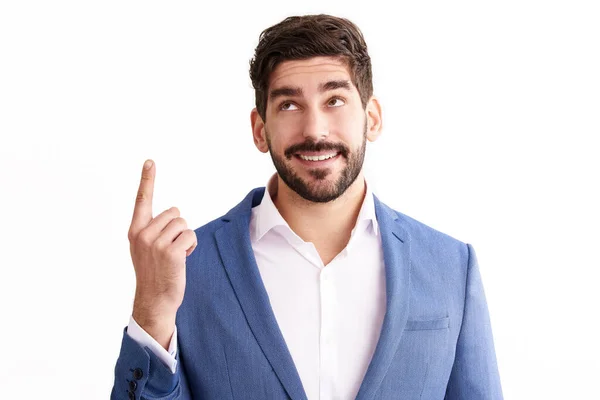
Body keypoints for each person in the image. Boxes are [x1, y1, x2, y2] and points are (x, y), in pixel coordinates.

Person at [110, 14, 503, 400]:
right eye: (289, 106)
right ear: (260, 130)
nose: (315, 130)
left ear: (372, 119)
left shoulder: (451, 266)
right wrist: (152, 311)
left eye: (334, 100)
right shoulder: (188, 267)